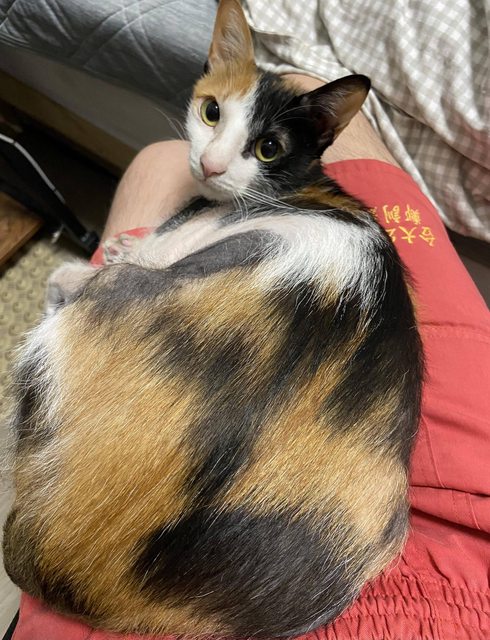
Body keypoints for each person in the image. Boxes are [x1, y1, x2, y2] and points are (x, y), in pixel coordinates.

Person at [12, 75, 490, 640]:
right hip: (382, 558)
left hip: (203, 561)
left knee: (156, 167)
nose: (212, 160)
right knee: (295, 87)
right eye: (212, 113)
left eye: (262, 146)